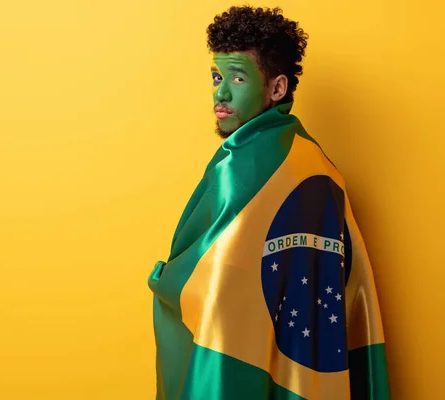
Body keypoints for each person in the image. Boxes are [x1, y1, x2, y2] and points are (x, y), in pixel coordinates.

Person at [148, 6, 390, 399]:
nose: (220, 92)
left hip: (246, 362)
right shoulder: (322, 167)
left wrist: (164, 279)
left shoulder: (241, 166)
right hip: (310, 370)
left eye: (237, 78)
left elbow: (213, 279)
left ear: (277, 89)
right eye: (216, 77)